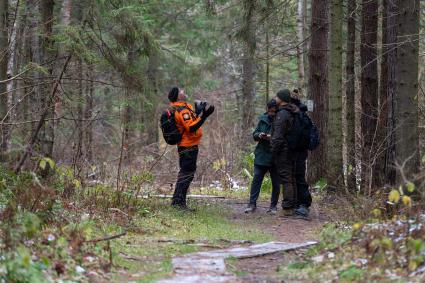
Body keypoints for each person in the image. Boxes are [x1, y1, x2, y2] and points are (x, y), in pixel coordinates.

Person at [168, 87, 214, 210]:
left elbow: (191, 122)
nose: (183, 91)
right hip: (187, 146)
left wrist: (198, 113)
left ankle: (178, 202)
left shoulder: (184, 107)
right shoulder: (182, 110)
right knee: (186, 174)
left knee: (187, 173)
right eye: (181, 91)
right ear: (178, 96)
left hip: (189, 144)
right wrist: (204, 116)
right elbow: (191, 128)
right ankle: (178, 203)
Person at [244, 99, 281, 214]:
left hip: (275, 156)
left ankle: (273, 206)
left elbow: (283, 137)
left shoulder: (280, 120)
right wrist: (259, 135)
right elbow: (255, 134)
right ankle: (252, 204)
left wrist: (273, 138)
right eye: (269, 111)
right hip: (261, 155)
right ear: (267, 110)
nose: (271, 113)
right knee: (256, 179)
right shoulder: (263, 119)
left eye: (273, 111)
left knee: (276, 182)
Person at [270, 89, 299, 216]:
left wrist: (273, 150)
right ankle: (293, 205)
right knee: (291, 177)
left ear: (281, 99)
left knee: (286, 179)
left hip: (284, 151)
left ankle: (287, 208)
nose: (275, 99)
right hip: (291, 150)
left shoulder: (282, 114)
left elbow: (278, 135)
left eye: (277, 97)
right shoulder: (291, 111)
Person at [291, 89, 312, 218]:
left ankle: (303, 204)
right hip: (300, 151)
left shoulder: (299, 116)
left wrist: (290, 146)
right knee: (298, 177)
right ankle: (299, 203)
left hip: (298, 151)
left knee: (299, 177)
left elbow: (297, 136)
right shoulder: (302, 114)